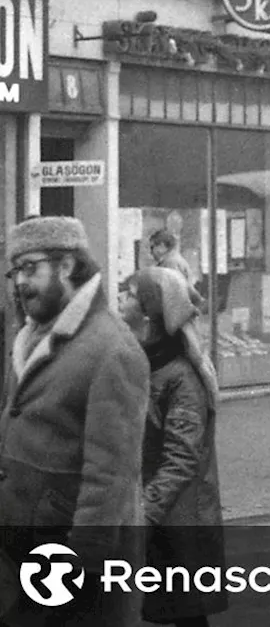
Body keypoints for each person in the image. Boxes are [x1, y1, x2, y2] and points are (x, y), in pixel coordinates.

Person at [0, 216, 149, 626]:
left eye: (31, 268)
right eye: (16, 271)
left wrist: (82, 566)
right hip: (26, 549)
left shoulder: (112, 349)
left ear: (67, 267)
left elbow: (111, 474)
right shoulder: (35, 336)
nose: (20, 283)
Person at [120, 267, 227, 627]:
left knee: (188, 617)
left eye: (130, 293)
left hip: (180, 524)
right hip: (159, 515)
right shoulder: (145, 362)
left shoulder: (181, 377)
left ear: (149, 310)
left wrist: (142, 515)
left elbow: (181, 458)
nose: (121, 299)